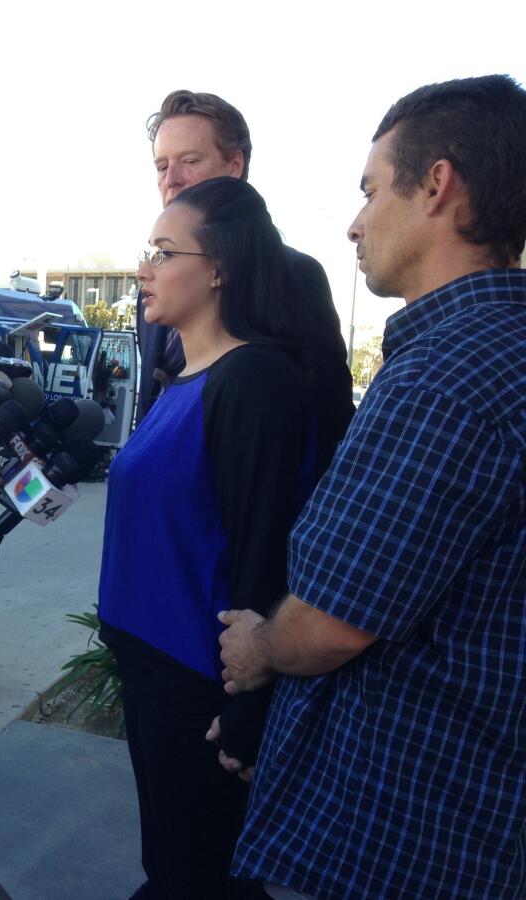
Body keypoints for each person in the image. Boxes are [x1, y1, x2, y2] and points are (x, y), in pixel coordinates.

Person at [217, 75, 526, 900]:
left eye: (369, 190)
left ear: (438, 186)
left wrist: (258, 646)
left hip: (402, 844)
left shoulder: (448, 377)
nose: (354, 223)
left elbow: (334, 624)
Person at [97, 177, 352, 899]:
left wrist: (247, 713)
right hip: (148, 670)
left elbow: (265, 551)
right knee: (169, 869)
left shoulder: (254, 380)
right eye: (147, 250)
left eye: (164, 251)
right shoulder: (178, 377)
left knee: (202, 879)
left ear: (220, 267)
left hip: (198, 686)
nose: (144, 269)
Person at [136, 90, 353, 474]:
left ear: (234, 165)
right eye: (161, 166)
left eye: (189, 161)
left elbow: (330, 417)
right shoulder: (154, 288)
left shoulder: (295, 276)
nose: (171, 180)